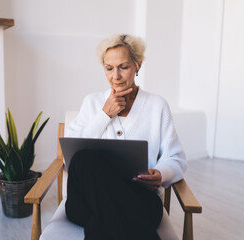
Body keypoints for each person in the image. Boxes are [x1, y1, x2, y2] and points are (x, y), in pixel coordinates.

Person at [64, 34, 187, 240]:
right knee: (85, 159)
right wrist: (104, 115)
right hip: (87, 200)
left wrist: (160, 173)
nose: (116, 76)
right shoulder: (92, 102)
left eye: (123, 67)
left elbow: (176, 159)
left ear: (137, 65)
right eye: (109, 68)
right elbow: (73, 157)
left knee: (103, 221)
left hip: (139, 197)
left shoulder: (157, 106)